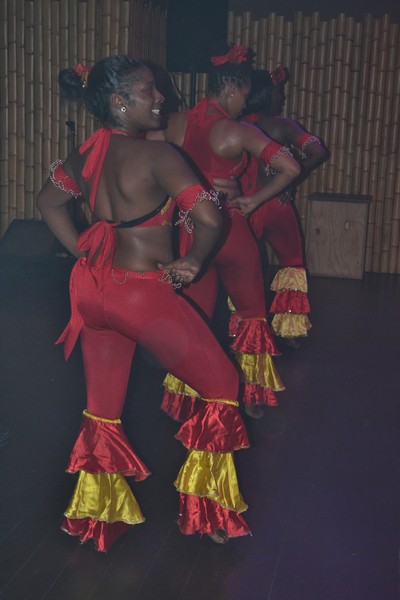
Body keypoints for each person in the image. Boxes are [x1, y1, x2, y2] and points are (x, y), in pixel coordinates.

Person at [36, 55, 251, 551]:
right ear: (119, 101)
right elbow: (211, 219)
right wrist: (194, 260)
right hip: (139, 295)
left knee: (102, 409)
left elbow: (48, 202)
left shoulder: (86, 153)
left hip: (92, 292)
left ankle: (97, 515)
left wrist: (81, 249)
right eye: (149, 90)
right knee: (223, 385)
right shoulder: (159, 157)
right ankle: (208, 512)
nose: (161, 97)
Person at [148, 46, 300, 420]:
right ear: (231, 89)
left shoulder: (173, 123)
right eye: (244, 94)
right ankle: (251, 397)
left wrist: (189, 185)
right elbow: (291, 168)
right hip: (230, 233)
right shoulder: (238, 130)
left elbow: (148, 164)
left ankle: (188, 400)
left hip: (191, 234)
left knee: (195, 319)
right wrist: (252, 200)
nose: (245, 102)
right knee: (251, 313)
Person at [230, 66, 329, 349]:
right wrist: (289, 179)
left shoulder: (234, 127)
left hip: (245, 207)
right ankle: (290, 331)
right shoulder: (281, 125)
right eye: (278, 93)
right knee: (292, 263)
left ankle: (242, 331)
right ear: (265, 95)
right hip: (276, 204)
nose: (282, 98)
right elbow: (318, 151)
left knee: (244, 270)